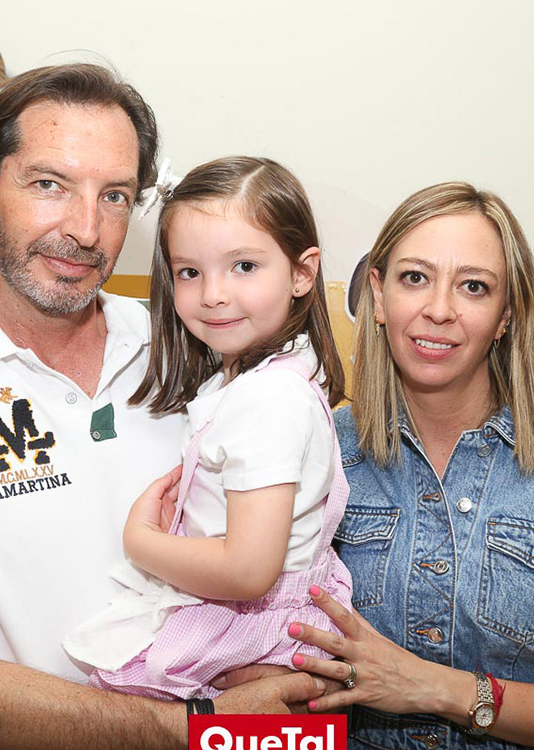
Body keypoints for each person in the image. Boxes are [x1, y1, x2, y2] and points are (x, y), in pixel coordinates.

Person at [0, 65, 324, 750]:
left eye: (114, 195)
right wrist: (198, 727)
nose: (87, 230)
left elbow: (302, 535)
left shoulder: (202, 345)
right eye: (49, 184)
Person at [286, 182, 534, 749]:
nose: (439, 310)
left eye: (473, 286)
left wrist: (434, 688)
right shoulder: (317, 449)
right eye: (414, 278)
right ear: (377, 295)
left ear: (505, 315)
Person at [63, 157, 352, 701]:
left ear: (302, 273)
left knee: (117, 716)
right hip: (249, 616)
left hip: (244, 624)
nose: (213, 293)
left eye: (243, 266)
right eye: (190, 272)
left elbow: (247, 570)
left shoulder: (267, 398)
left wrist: (141, 542)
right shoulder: (255, 382)